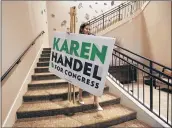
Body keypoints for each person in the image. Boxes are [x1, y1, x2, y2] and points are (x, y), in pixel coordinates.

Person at [67, 23, 103, 111]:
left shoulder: (93, 36)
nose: (88, 30)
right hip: (82, 62)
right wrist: (68, 35)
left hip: (92, 61)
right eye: (86, 29)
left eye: (89, 29)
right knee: (82, 81)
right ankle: (80, 96)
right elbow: (71, 42)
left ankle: (96, 101)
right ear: (82, 29)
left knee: (95, 81)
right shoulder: (78, 37)